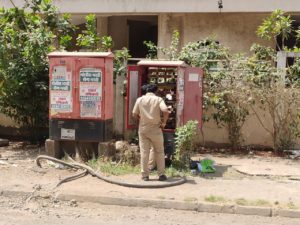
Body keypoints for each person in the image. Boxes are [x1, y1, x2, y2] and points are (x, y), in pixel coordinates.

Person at [132, 84, 169, 181]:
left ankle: (145, 176)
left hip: (143, 129)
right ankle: (161, 175)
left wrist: (141, 119)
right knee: (159, 151)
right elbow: (165, 110)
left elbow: (134, 114)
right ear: (155, 91)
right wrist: (164, 123)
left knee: (144, 152)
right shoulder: (158, 99)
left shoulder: (139, 100)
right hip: (156, 129)